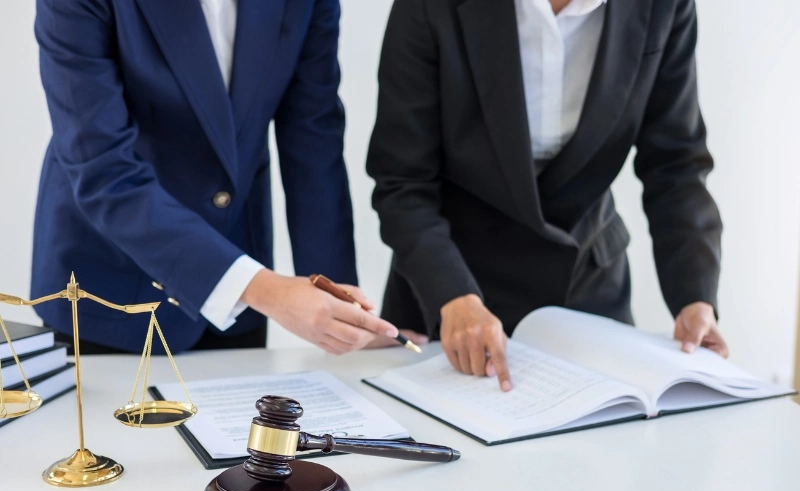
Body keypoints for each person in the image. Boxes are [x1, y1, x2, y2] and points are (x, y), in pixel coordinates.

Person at [367, 0, 728, 391]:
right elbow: (402, 180)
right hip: (451, 290)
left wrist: (695, 297)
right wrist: (452, 294)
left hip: (587, 289)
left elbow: (674, 166)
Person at [31, 0, 422, 355]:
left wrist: (345, 313)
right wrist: (265, 289)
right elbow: (103, 172)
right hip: (108, 287)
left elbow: (313, 144)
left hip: (238, 282)